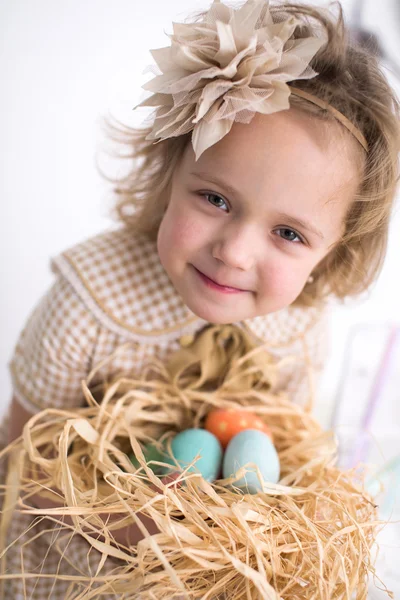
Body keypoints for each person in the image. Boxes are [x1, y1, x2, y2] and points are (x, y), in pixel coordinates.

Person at [0, 0, 399, 597]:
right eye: (215, 199)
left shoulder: (299, 327)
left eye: (288, 234)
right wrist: (117, 520)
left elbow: (271, 457)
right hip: (76, 570)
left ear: (332, 255)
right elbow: (16, 459)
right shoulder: (88, 303)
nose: (235, 252)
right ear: (169, 175)